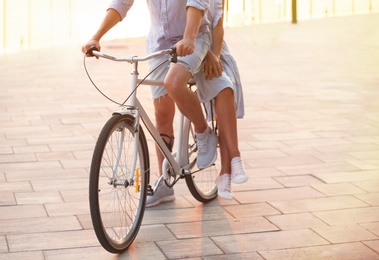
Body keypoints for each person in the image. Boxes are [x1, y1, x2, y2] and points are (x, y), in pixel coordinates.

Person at [82, 0, 218, 204]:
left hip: (194, 38)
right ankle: (165, 183)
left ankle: (203, 132)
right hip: (160, 43)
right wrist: (96, 37)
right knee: (162, 114)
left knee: (173, 83)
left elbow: (196, 1)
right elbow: (121, 3)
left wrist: (188, 38)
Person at [147, 0, 248, 204]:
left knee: (223, 87)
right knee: (162, 112)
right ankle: (164, 183)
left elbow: (216, 27)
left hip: (208, 47)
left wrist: (214, 55)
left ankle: (229, 168)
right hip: (185, 46)